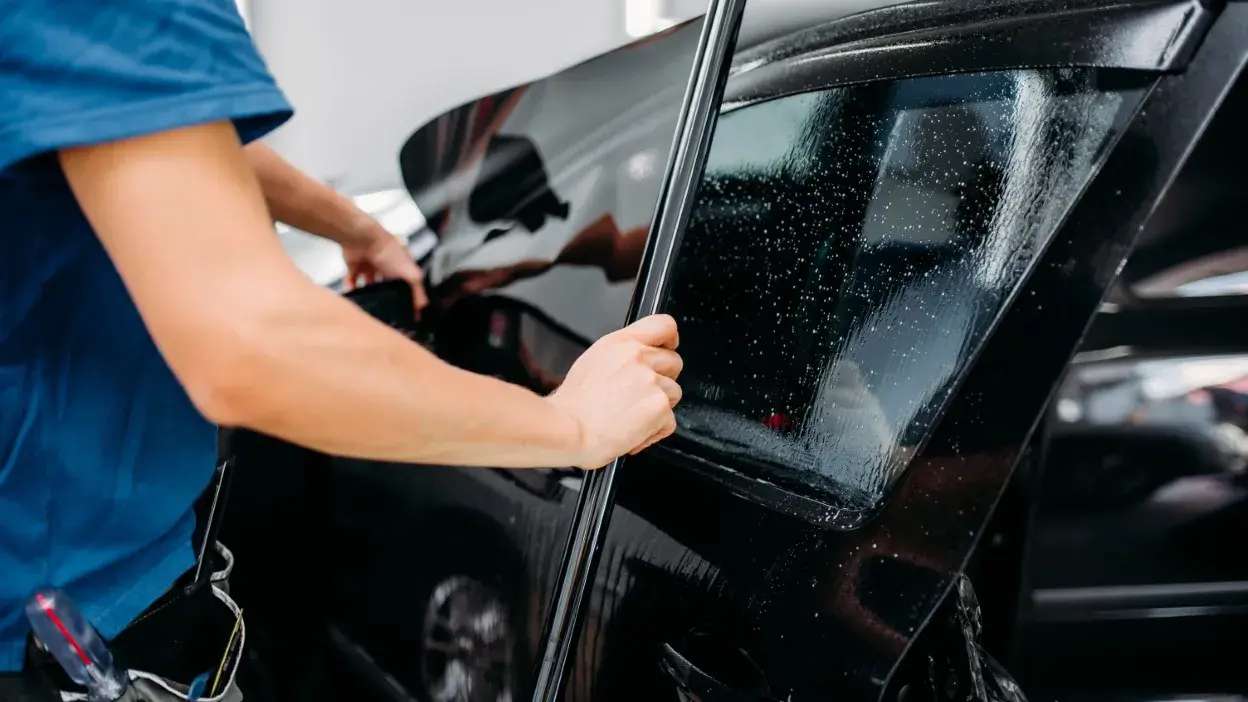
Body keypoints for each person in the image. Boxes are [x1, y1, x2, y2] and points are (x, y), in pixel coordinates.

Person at [0, 1, 682, 699]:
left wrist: (354, 229)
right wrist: (570, 426)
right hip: (63, 646)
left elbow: (164, 134)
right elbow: (250, 343)